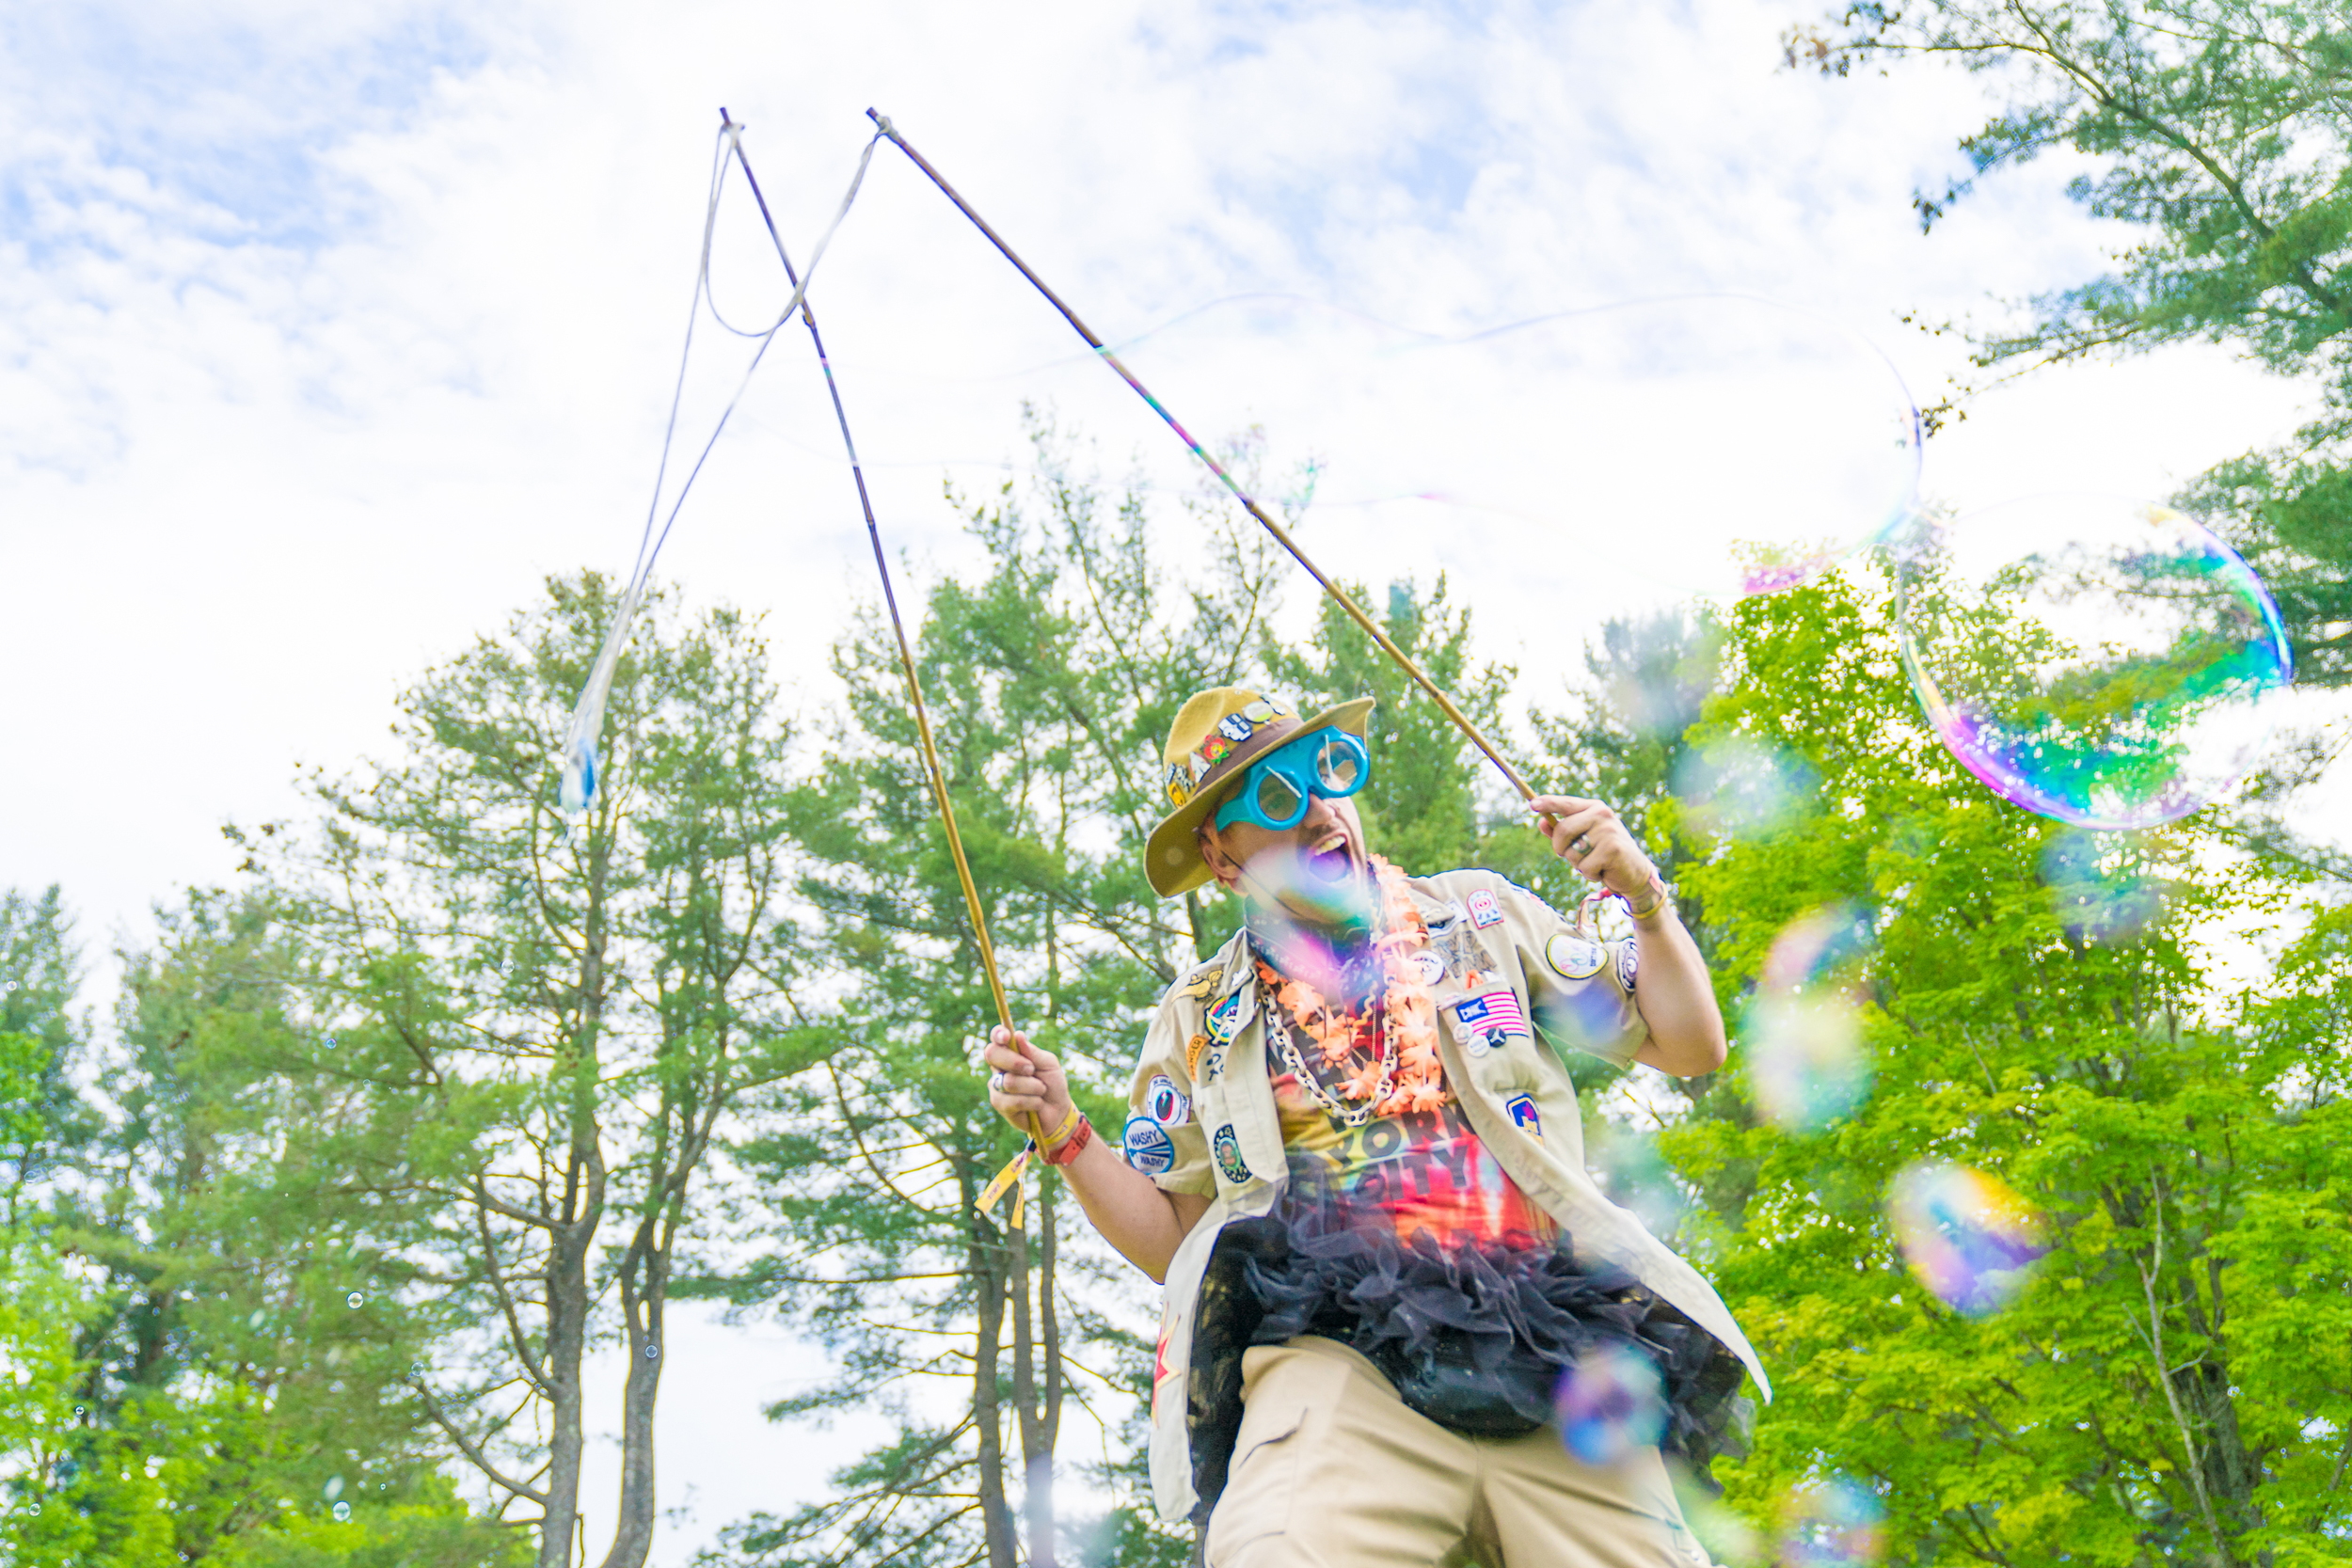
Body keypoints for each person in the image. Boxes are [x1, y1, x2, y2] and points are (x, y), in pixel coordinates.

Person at [983, 687, 1766, 1566]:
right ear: (1220, 855)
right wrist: (1064, 1130)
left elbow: (1689, 1044)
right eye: (1275, 798)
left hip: (1551, 1355)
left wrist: (1643, 894)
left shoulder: (1480, 916)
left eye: (1328, 773)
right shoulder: (1197, 1015)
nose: (1320, 811)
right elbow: (1178, 1242)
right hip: (1335, 1361)